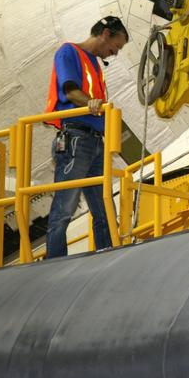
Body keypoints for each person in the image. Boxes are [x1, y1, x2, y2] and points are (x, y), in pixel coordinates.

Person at [43, 16, 128, 258]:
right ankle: (55, 261)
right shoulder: (68, 52)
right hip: (76, 138)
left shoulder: (94, 64)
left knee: (103, 207)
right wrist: (92, 103)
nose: (115, 53)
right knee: (65, 207)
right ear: (105, 34)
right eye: (116, 46)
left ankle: (107, 255)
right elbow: (70, 91)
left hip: (94, 140)